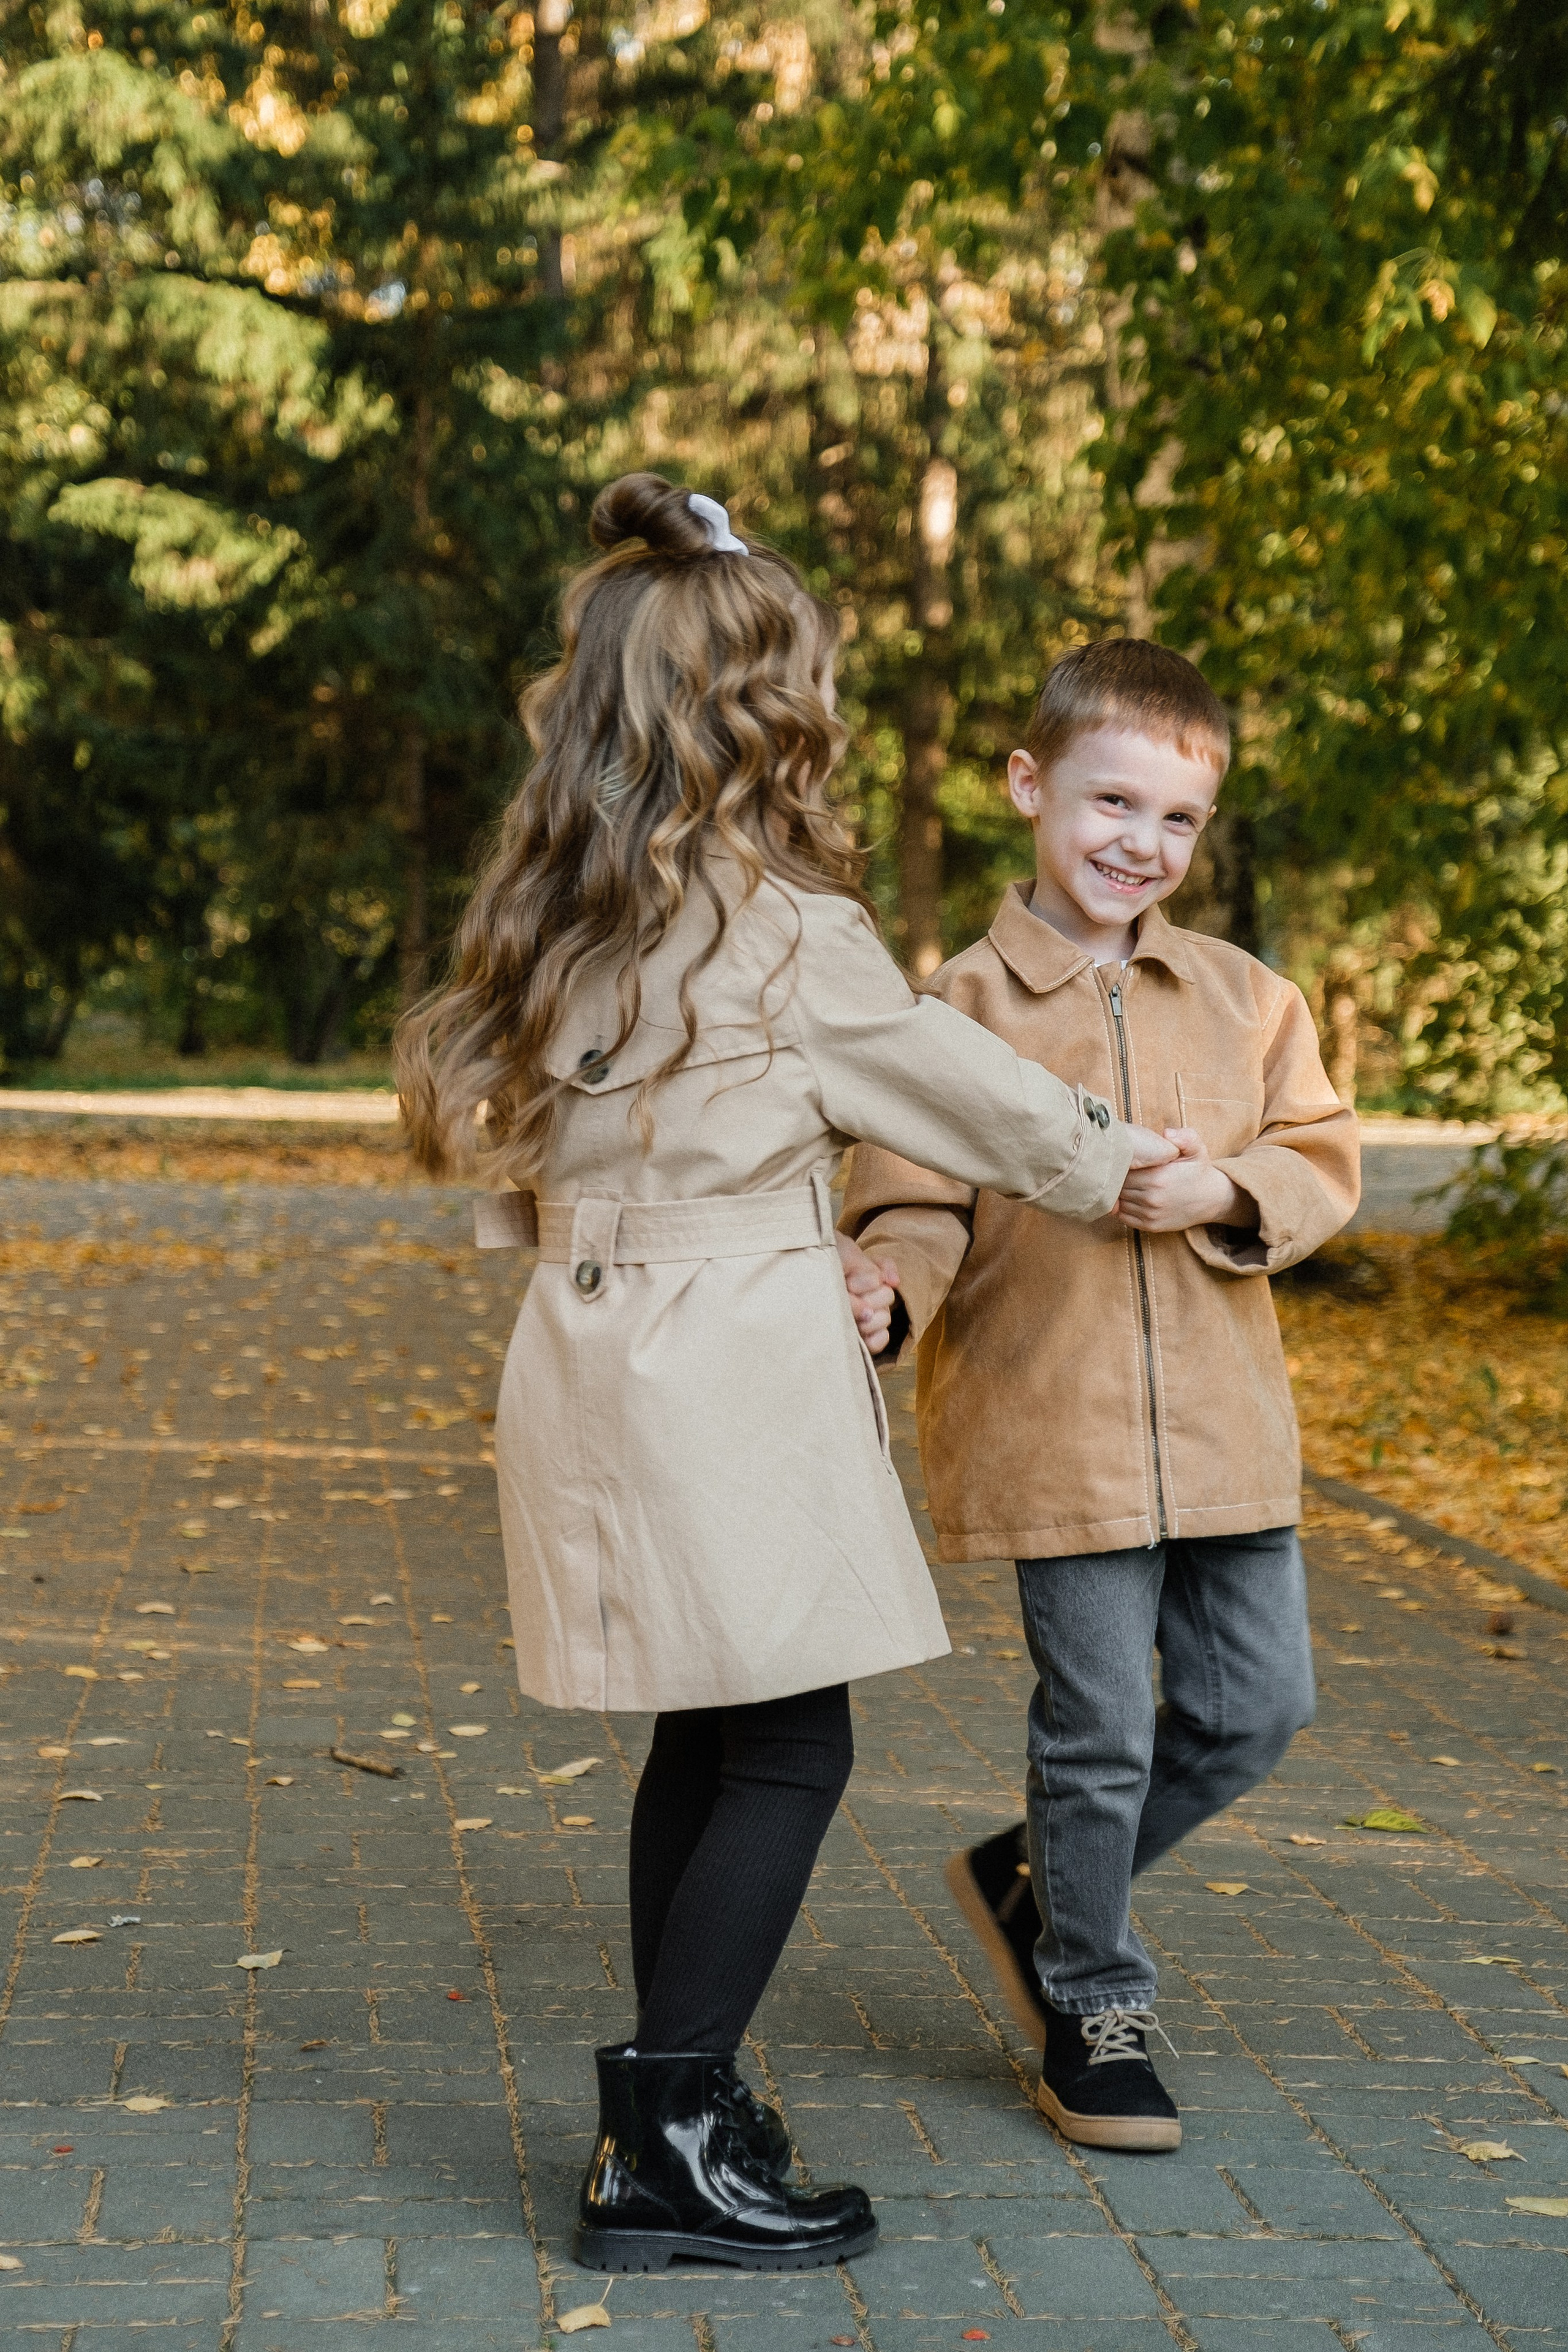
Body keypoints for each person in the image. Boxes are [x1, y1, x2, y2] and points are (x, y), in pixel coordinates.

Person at [395, 480, 1178, 2271]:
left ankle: (680, 2101)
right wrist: (1115, 1152)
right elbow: (947, 1083)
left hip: (595, 1352)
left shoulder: (571, 906)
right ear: (766, 703)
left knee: (712, 1722)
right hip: (724, 1369)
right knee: (793, 1748)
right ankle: (666, 2132)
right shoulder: (777, 922)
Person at [839, 639, 1360, 2154]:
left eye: (1177, 819)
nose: (1140, 843)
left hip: (1225, 1435)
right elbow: (912, 1192)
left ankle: (1040, 1876)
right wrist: (886, 1282)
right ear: (1027, 786)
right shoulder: (957, 1006)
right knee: (1097, 1734)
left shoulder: (1249, 999)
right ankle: (1091, 1996)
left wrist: (1226, 1183)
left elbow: (1321, 1160)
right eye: (1108, 801)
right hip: (1049, 1422)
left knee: (1256, 1710)